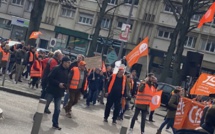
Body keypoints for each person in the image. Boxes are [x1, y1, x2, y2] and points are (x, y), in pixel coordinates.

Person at [44, 56, 71, 130]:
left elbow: (67, 81)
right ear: (64, 62)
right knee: (44, 105)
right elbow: (50, 78)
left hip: (59, 93)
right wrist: (58, 83)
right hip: (51, 91)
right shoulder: (56, 68)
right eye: (68, 62)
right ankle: (37, 117)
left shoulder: (67, 71)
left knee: (57, 109)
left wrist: (66, 86)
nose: (69, 64)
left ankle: (55, 124)